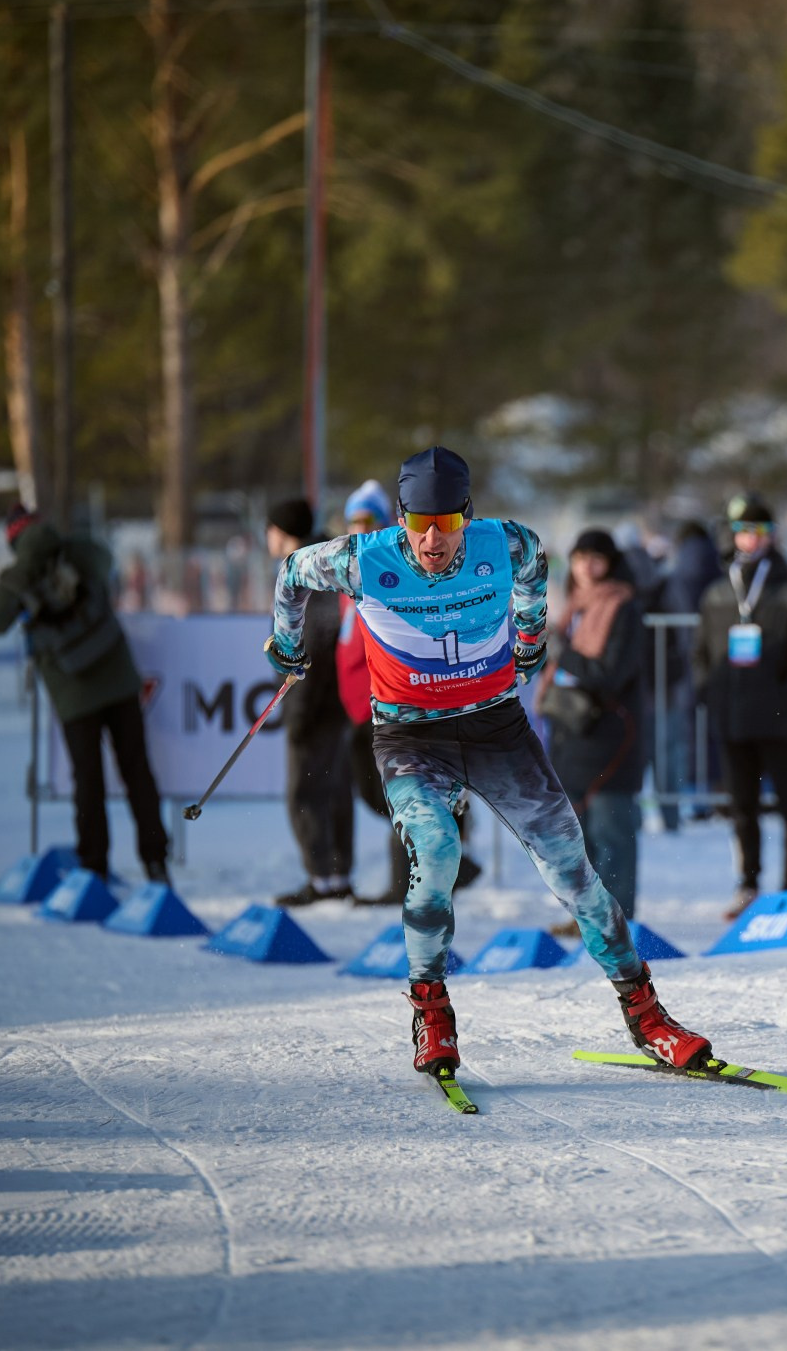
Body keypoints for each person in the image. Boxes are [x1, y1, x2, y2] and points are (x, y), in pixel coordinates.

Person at [268, 446, 713, 1076]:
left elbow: (536, 564)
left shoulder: (502, 544)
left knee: (573, 870)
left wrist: (530, 638)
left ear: (467, 517)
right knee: (437, 850)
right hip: (410, 738)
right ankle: (432, 1011)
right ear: (399, 518)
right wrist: (287, 647)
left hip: (495, 729)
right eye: (418, 524)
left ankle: (646, 1016)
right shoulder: (361, 559)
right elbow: (290, 572)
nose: (431, 541)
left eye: (447, 524)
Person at [0, 505, 169, 886]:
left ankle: (94, 867)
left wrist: (18, 579)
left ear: (12, 540)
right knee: (137, 770)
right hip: (118, 678)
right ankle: (155, 864)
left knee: (88, 781)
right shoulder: (75, 550)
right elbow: (105, 557)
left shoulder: (17, 576)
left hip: (72, 692)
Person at [694, 493, 787, 917]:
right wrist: (711, 694)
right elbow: (701, 654)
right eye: (741, 532)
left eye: (757, 532)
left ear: (771, 536)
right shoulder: (719, 591)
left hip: (777, 718)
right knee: (742, 808)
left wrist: (785, 693)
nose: (749, 540)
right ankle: (747, 883)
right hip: (733, 719)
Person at [538, 529, 647, 935]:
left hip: (613, 735)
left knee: (612, 829)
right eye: (581, 557)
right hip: (576, 733)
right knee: (582, 834)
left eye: (596, 558)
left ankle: (617, 921)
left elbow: (612, 673)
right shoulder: (576, 607)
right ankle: (586, 916)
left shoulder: (623, 606)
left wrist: (564, 652)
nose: (587, 566)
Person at [264, 498, 357, 906]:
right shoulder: (327, 557)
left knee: (306, 791)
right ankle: (336, 876)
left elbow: (313, 643)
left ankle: (323, 878)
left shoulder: (305, 568)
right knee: (334, 787)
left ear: (283, 533)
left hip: (316, 701)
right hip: (336, 698)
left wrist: (297, 712)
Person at [337, 481, 413, 906]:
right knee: (375, 794)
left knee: (396, 795)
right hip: (357, 707)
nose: (360, 528)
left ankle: (405, 883)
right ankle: (445, 847)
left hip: (383, 702)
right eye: (354, 520)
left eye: (368, 520)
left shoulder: (389, 568)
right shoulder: (350, 566)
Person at [657, 520, 723, 826]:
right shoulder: (721, 571)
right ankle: (719, 791)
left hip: (681, 664)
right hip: (719, 661)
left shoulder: (674, 575)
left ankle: (692, 795)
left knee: (686, 732)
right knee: (717, 729)